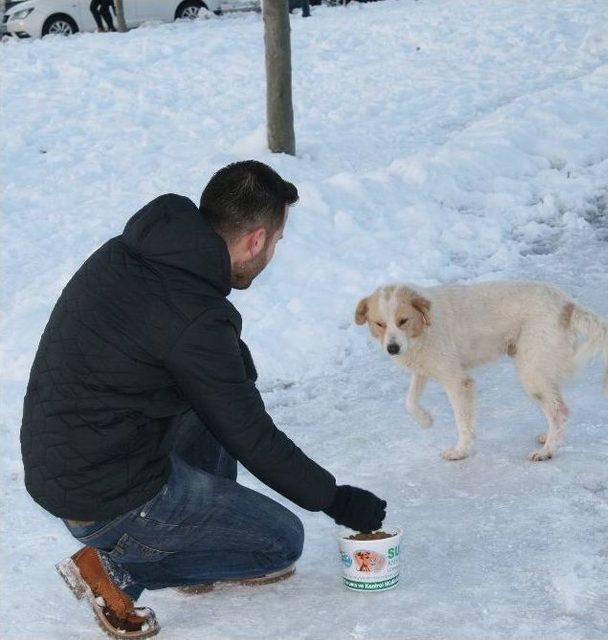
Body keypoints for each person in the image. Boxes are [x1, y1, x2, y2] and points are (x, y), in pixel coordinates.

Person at [20, 161, 387, 639]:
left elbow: (198, 370)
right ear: (255, 239)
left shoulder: (137, 253)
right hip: (105, 497)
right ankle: (118, 573)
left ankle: (185, 538)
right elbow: (253, 436)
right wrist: (337, 500)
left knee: (205, 402)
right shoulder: (193, 316)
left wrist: (231, 358)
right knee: (280, 543)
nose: (273, 251)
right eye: (276, 241)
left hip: (67, 458)